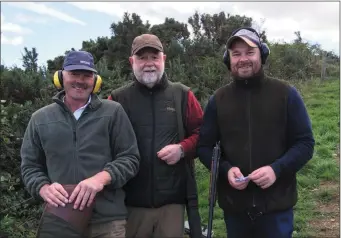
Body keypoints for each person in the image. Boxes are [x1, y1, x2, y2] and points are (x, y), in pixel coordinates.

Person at [197, 27, 315, 238]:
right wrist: (225, 170)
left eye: (250, 52)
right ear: (228, 59)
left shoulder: (286, 94)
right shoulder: (218, 100)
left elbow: (305, 143)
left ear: (262, 54)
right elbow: (204, 147)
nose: (243, 59)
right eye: (236, 54)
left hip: (276, 207)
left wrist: (276, 169)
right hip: (235, 209)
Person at [20, 50, 140, 238]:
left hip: (107, 222)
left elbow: (130, 158)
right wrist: (43, 188)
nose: (80, 80)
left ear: (95, 80)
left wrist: (100, 179)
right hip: (60, 219)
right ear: (60, 77)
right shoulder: (40, 118)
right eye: (74, 74)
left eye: (87, 75)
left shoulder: (113, 112)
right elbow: (30, 166)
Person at [107, 33, 204, 238]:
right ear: (132, 61)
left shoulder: (182, 94)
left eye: (154, 57)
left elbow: (203, 134)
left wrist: (182, 149)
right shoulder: (117, 99)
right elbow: (104, 144)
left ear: (164, 59)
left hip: (173, 203)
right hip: (130, 203)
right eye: (142, 58)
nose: (149, 63)